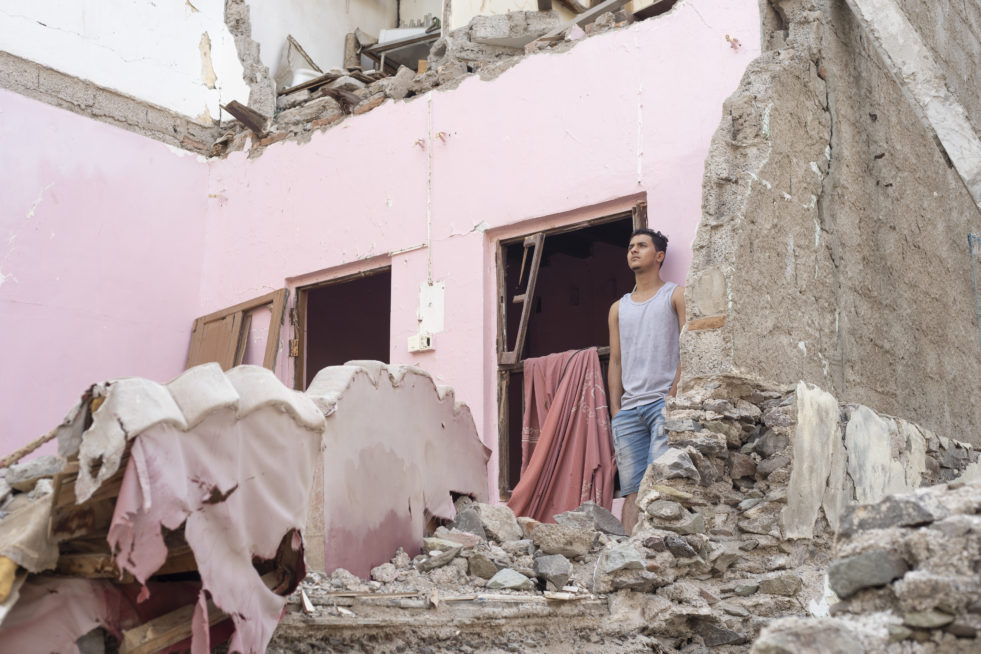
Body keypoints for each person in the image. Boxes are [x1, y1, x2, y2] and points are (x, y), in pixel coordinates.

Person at [608, 228, 685, 534]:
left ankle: (655, 554)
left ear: (659, 256)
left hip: (660, 405)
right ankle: (627, 558)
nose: (633, 250)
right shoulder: (618, 308)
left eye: (641, 246)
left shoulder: (675, 295)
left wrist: (673, 395)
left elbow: (688, 346)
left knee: (659, 483)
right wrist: (616, 410)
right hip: (628, 413)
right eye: (630, 246)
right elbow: (615, 361)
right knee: (631, 492)